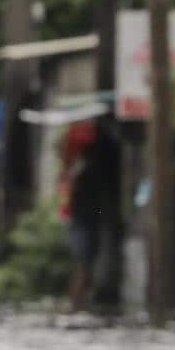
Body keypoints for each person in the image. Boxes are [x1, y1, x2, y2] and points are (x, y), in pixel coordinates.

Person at [64, 117, 122, 311]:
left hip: (86, 219)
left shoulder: (86, 171)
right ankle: (78, 299)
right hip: (84, 219)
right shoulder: (84, 172)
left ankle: (80, 299)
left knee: (85, 261)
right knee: (83, 261)